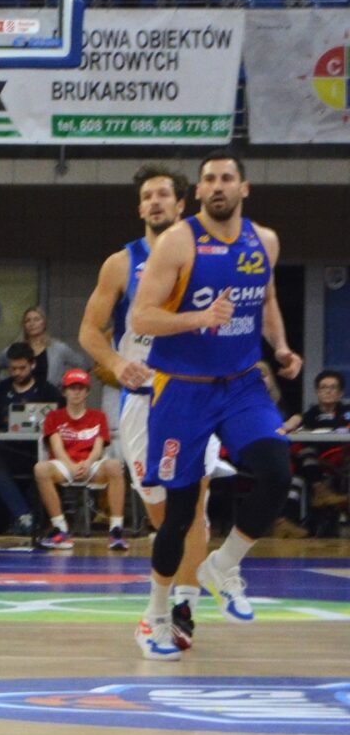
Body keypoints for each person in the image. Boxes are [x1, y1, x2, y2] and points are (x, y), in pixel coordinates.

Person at [128, 150, 301, 660]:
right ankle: (155, 615)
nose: (218, 185)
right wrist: (198, 318)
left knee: (276, 471)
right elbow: (141, 317)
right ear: (198, 192)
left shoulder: (264, 240)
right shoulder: (178, 242)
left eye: (227, 178)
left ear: (244, 188)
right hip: (183, 388)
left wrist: (281, 347)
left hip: (242, 383)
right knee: (180, 513)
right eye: (209, 179)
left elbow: (265, 300)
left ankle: (223, 566)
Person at [79, 163, 229, 649]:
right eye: (147, 196)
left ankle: (184, 607)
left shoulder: (208, 257)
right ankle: (178, 587)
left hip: (193, 395)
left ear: (182, 204)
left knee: (195, 503)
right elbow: (89, 331)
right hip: (142, 402)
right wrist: (115, 361)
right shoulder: (120, 264)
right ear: (140, 207)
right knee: (164, 516)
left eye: (163, 194)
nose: (155, 202)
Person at [0, 342, 64, 538]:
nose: (17, 373)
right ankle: (24, 516)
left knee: (44, 466)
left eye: (22, 368)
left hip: (38, 453)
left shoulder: (48, 392)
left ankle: (37, 519)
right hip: (6, 452)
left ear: (32, 365)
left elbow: (64, 419)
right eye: (13, 368)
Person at [33, 368, 128, 549]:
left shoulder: (99, 416)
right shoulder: (53, 417)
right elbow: (56, 447)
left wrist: (88, 463)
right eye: (72, 388)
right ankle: (60, 529)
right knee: (40, 469)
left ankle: (116, 531)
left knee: (115, 465)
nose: (76, 392)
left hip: (91, 464)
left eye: (80, 388)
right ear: (64, 392)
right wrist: (70, 466)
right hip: (64, 464)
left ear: (87, 392)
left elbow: (99, 447)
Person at [281, 370, 349, 535]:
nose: (328, 391)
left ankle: (320, 493)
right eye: (323, 387)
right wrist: (292, 422)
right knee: (299, 470)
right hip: (314, 460)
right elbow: (293, 427)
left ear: (340, 393)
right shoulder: (310, 415)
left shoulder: (347, 412)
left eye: (333, 387)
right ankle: (286, 521)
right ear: (317, 392)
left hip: (342, 458)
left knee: (305, 460)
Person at [11, 306, 90, 390]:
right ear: (24, 325)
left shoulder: (58, 348)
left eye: (36, 319)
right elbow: (0, 365)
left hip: (51, 395)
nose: (32, 324)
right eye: (28, 320)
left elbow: (84, 364)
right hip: (22, 395)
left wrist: (66, 381)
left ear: (44, 323)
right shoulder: (15, 349)